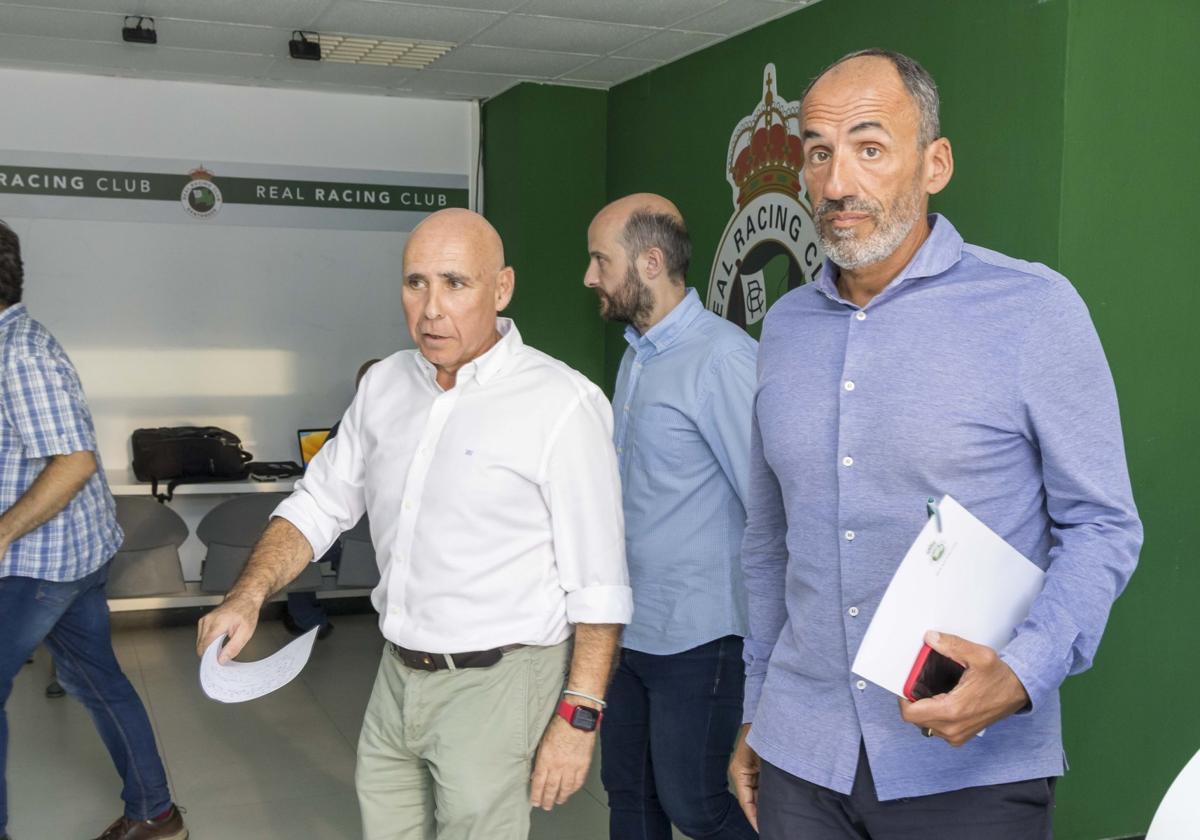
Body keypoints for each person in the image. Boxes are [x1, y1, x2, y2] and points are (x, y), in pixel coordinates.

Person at [728, 50, 1142, 839]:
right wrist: (758, 708)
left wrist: (1022, 673)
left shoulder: (1033, 310)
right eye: (819, 152)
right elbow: (768, 542)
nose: (838, 182)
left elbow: (1103, 526)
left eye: (870, 147)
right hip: (800, 757)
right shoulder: (783, 329)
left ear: (935, 163)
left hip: (969, 764)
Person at [197, 208, 632, 840]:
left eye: (455, 283)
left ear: (502, 288)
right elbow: (318, 504)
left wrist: (579, 717)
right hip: (397, 673)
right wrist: (247, 594)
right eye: (415, 282)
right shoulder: (384, 387)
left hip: (500, 681)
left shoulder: (561, 404)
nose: (431, 308)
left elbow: (599, 581)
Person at [0, 220, 187, 840]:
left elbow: (74, 462)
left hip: (37, 566)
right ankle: (155, 815)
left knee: (93, 680)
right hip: (68, 557)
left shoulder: (18, 351)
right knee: (95, 679)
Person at [583, 194, 758, 840]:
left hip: (700, 636)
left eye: (601, 260)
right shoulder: (637, 356)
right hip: (629, 630)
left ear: (650, 262)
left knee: (700, 804)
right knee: (630, 798)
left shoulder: (724, 360)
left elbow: (770, 510)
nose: (590, 276)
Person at [282, 357, 380, 640]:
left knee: (304, 545)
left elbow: (320, 485)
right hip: (383, 540)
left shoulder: (345, 430)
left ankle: (309, 621)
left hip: (354, 541)